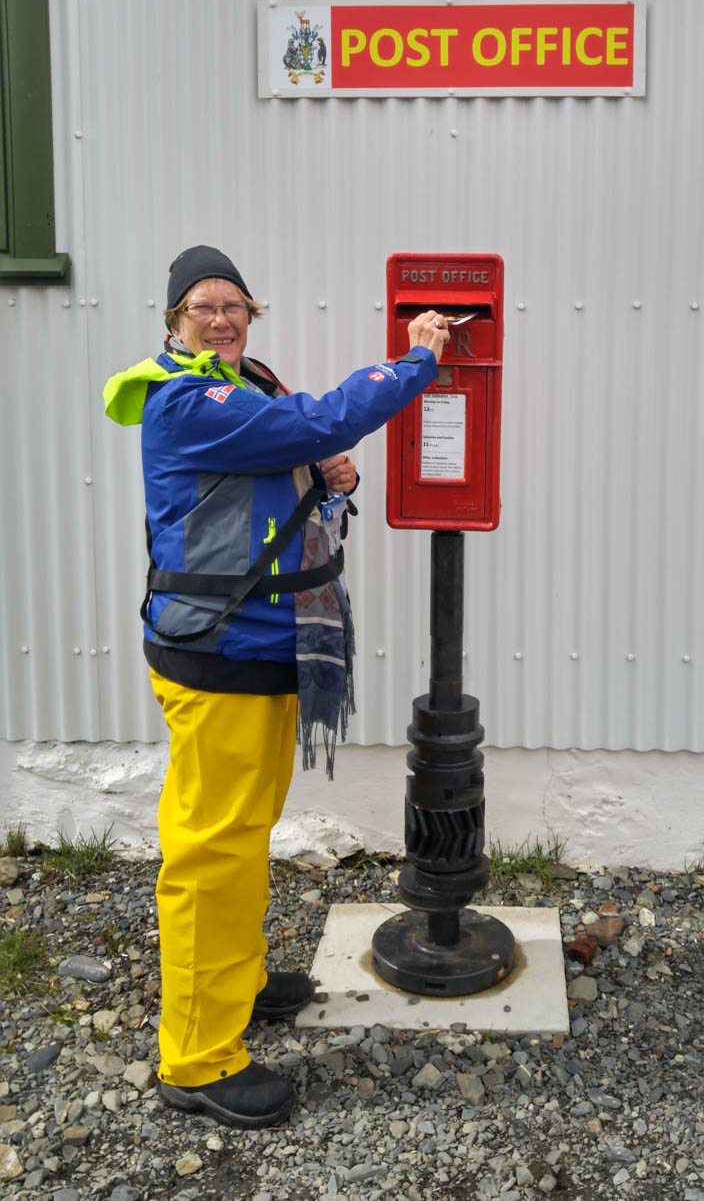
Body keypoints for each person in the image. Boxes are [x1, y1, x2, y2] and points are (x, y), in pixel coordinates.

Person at [103, 245, 447, 1129]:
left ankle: (240, 984)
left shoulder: (245, 382)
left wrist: (332, 475)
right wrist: (417, 359)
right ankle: (197, 1057)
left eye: (236, 305)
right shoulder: (186, 398)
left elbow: (296, 454)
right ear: (172, 320)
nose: (222, 320)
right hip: (220, 652)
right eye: (203, 307)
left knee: (243, 835)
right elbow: (320, 417)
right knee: (211, 854)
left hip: (261, 646)